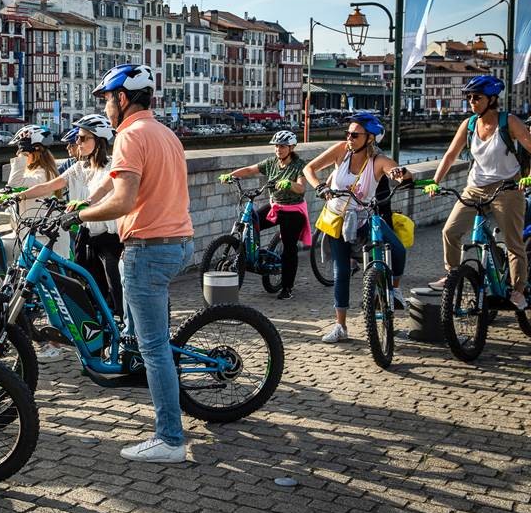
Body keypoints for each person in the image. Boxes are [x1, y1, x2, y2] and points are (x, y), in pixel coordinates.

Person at [61, 63, 193, 463]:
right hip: (178, 242)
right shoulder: (163, 132)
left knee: (154, 349)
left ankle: (170, 439)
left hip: (148, 249)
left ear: (123, 98)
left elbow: (122, 201)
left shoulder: (129, 136)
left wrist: (78, 216)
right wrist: (83, 198)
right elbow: (109, 184)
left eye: (106, 99)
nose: (104, 107)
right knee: (140, 331)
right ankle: (134, 347)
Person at [0, 114, 124, 319]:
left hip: (110, 236)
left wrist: (87, 202)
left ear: (99, 140)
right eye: (78, 138)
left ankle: (126, 331)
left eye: (83, 138)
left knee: (115, 288)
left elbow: (104, 188)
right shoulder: (78, 168)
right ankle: (100, 329)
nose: (78, 142)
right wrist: (17, 195)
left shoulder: (111, 167)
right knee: (89, 285)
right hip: (86, 233)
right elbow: (50, 186)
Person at [303, 112, 412, 344]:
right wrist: (320, 187)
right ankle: (340, 326)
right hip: (337, 220)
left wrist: (399, 174)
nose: (349, 138)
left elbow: (402, 173)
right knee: (341, 272)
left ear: (370, 138)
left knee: (398, 250)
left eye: (355, 134)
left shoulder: (378, 161)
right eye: (348, 133)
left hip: (365, 218)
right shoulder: (341, 150)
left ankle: (394, 290)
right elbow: (308, 169)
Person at [425, 76, 531, 310]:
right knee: (450, 231)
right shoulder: (469, 124)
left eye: (477, 97)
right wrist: (435, 181)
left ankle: (518, 290)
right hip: (475, 188)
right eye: (469, 97)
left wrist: (528, 176)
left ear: (492, 99)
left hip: (507, 188)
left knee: (514, 243)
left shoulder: (509, 122)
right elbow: (451, 155)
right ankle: (452, 275)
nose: (471, 101)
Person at [0, 124, 64, 361]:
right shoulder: (33, 172)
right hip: (29, 241)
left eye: (24, 151)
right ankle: (27, 336)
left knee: (50, 295)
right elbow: (8, 191)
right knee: (25, 291)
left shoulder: (45, 175)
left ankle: (55, 345)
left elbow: (15, 187)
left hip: (44, 243)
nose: (20, 155)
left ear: (35, 151)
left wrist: (19, 158)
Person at [219, 130, 311, 300]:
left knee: (289, 249)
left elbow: (301, 187)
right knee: (252, 222)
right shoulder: (271, 163)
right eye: (276, 146)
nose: (278, 149)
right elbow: (249, 170)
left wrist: (288, 184)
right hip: (275, 206)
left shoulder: (299, 165)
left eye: (282, 146)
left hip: (293, 210)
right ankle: (254, 256)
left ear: (291, 148)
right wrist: (230, 176)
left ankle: (287, 287)